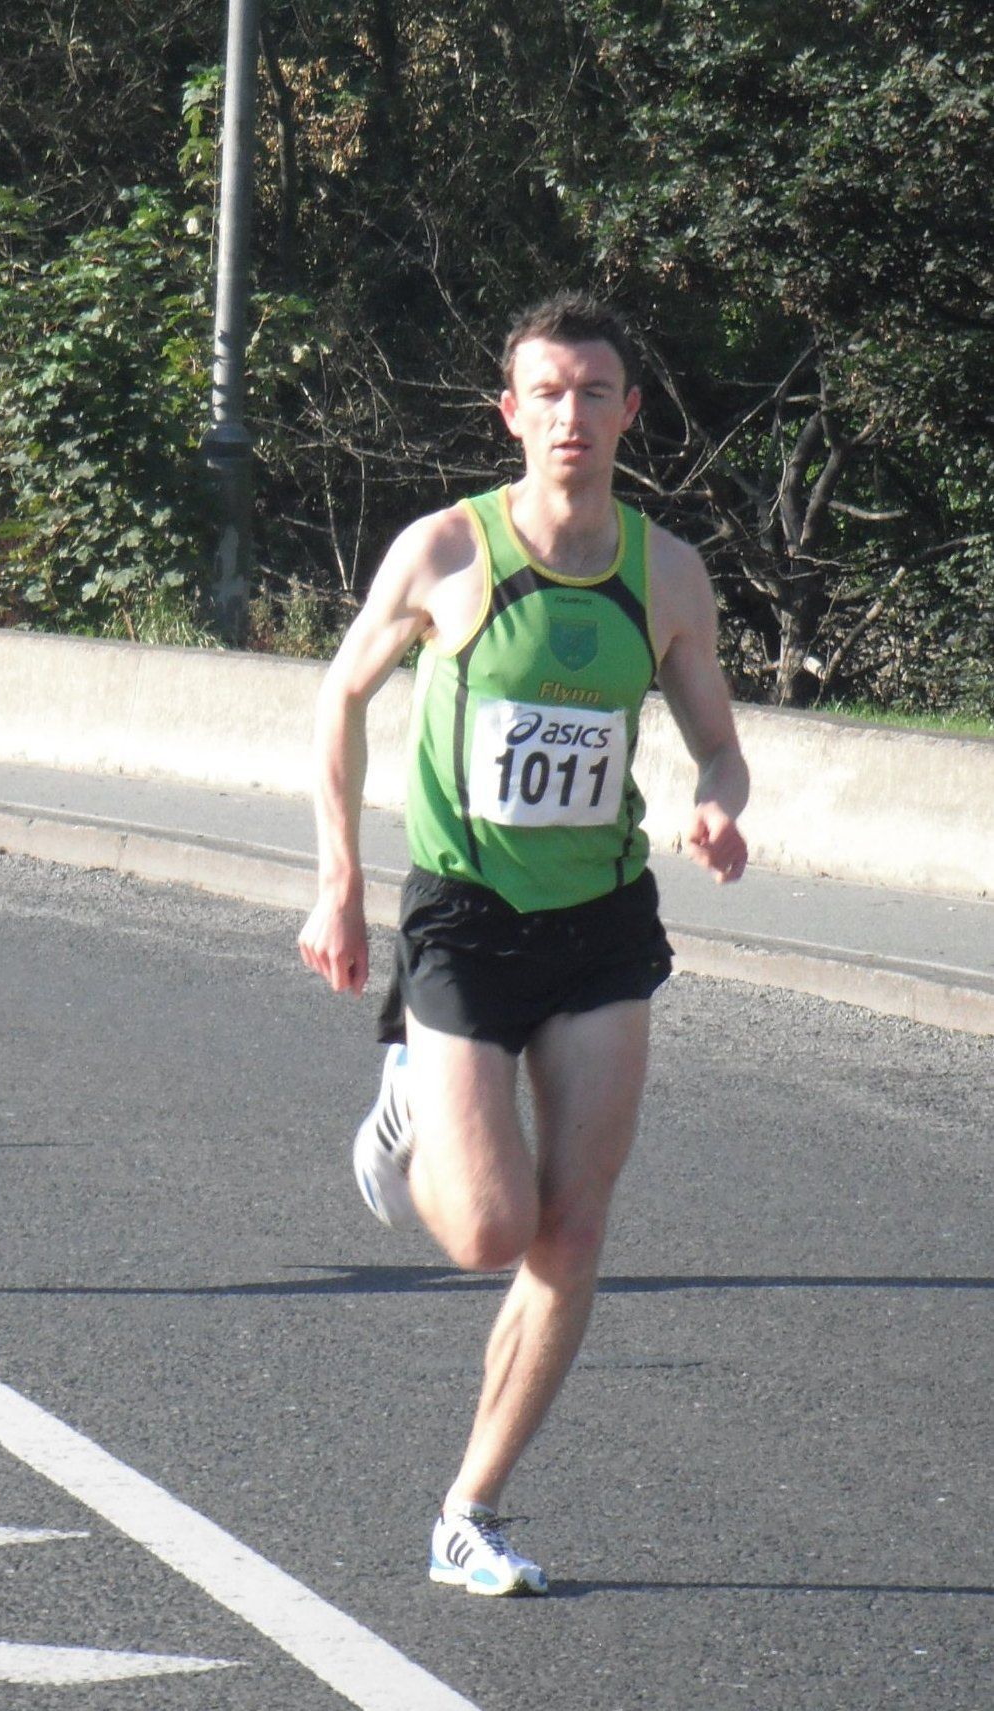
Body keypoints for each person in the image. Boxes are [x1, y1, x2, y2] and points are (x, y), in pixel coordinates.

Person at [298, 292, 749, 1596]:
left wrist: (718, 801)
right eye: (545, 393)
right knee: (491, 1230)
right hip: (464, 915)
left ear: (628, 412)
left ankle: (471, 1508)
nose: (570, 415)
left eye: (593, 392)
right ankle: (407, 1099)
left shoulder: (665, 574)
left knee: (574, 1222)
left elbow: (717, 741)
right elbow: (338, 697)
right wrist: (338, 882)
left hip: (602, 923)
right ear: (510, 412)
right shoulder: (446, 550)